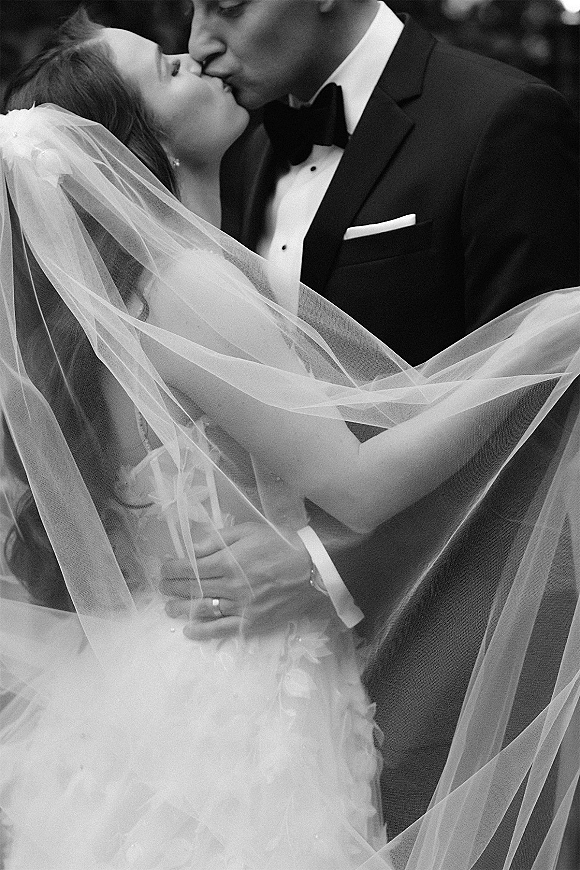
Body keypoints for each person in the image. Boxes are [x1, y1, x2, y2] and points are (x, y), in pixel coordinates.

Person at [0, 11, 578, 870]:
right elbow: (355, 482)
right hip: (243, 683)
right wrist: (541, 339)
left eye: (219, 8)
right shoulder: (186, 280)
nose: (195, 48)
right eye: (167, 67)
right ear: (133, 145)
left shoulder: (120, 298)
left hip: (163, 674)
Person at [179, 0, 580, 852]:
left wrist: (325, 565)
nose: (199, 42)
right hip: (294, 683)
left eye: (226, 4)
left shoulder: (502, 121)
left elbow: (541, 414)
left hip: (471, 646)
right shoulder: (246, 149)